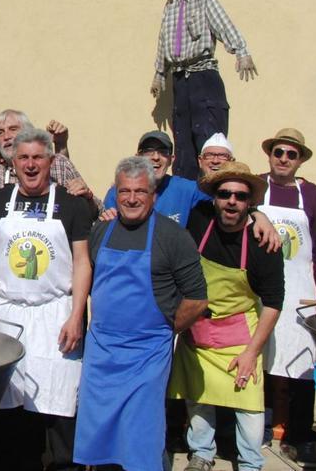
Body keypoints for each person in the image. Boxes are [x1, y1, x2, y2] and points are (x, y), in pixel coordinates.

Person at [74, 157, 208, 471]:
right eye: (124, 192)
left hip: (147, 354)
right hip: (102, 352)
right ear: (115, 193)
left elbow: (198, 299)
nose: (131, 199)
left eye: (140, 192)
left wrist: (167, 328)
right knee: (98, 433)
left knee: (141, 434)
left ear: (154, 196)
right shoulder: (100, 231)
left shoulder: (173, 236)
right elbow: (86, 275)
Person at [0, 127, 92, 470]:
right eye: (23, 157)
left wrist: (76, 316)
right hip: (6, 316)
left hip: (56, 315)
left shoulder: (72, 205)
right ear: (13, 162)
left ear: (51, 161)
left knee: (60, 409)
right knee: (7, 410)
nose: (31, 164)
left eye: (38, 157)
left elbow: (82, 262)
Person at [168, 161, 284, 471]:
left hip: (239, 335)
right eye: (224, 194)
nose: (231, 201)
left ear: (249, 203)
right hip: (198, 330)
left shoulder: (264, 244)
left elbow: (273, 304)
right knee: (198, 397)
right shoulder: (199, 219)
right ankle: (202, 454)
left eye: (241, 196)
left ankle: (250, 463)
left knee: (249, 406)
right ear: (215, 198)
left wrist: (251, 353)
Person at [258, 128, 316, 467]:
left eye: (291, 154)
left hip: (302, 292)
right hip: (261, 290)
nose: (284, 159)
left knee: (301, 366)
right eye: (279, 152)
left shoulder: (313, 194)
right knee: (262, 359)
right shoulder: (257, 186)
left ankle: (301, 435)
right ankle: (258, 426)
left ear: (300, 159)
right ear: (270, 155)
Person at [151, 0, 257, 180]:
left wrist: (241, 51)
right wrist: (160, 73)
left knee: (209, 139)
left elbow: (222, 22)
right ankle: (187, 195)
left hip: (204, 77)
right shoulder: (171, 3)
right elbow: (163, 39)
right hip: (180, 80)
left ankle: (214, 190)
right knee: (183, 143)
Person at [0, 109, 95, 210]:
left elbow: (97, 212)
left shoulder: (58, 164)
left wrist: (87, 197)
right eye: (0, 132)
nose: (6, 137)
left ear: (28, 132)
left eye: (13, 129)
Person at [104, 130, 210, 226]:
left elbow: (219, 199)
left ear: (171, 159)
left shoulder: (187, 190)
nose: (155, 157)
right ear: (138, 157)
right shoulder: (118, 193)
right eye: (148, 151)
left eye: (163, 152)